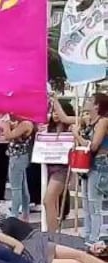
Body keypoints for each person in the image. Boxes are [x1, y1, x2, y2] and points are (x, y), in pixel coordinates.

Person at [53, 93, 108, 242]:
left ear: (97, 105)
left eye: (91, 100)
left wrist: (77, 135)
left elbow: (94, 145)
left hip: (99, 165)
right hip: (86, 165)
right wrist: (54, 99)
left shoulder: (103, 122)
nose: (87, 102)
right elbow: (64, 118)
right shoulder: (88, 119)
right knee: (86, 202)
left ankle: (94, 238)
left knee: (94, 203)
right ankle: (87, 234)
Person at [43, 100, 75, 232]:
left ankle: (52, 235)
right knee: (54, 201)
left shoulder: (71, 127)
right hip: (49, 166)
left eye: (58, 110)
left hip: (62, 169)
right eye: (53, 111)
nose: (55, 114)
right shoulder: (48, 128)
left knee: (48, 199)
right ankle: (55, 231)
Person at [2, 117, 35, 221]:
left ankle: (14, 215)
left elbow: (8, 136)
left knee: (16, 188)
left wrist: (5, 123)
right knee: (23, 188)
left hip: (17, 157)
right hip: (19, 157)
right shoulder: (23, 123)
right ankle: (25, 214)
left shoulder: (26, 123)